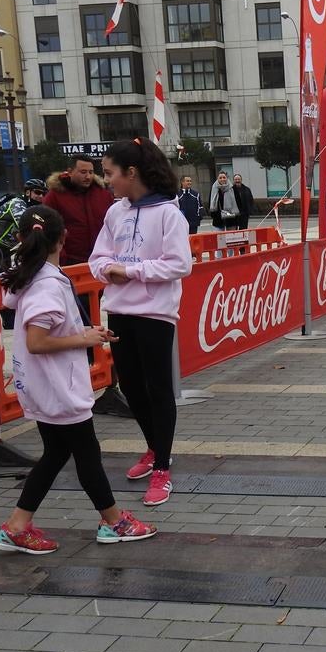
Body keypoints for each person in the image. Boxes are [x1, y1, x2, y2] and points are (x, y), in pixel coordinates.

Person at [0, 204, 156, 554]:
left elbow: (46, 331)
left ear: (21, 238)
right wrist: (82, 338)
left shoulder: (29, 277)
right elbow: (38, 341)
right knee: (85, 454)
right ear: (63, 239)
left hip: (43, 385)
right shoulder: (48, 284)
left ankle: (17, 526)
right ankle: (113, 521)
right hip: (59, 387)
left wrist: (84, 331)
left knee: (56, 453)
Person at [90, 138, 192, 508]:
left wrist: (128, 270)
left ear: (131, 172)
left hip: (155, 314)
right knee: (131, 389)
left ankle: (163, 467)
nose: (107, 181)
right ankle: (153, 447)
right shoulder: (115, 212)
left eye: (109, 173)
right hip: (119, 312)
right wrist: (107, 269)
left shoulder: (169, 213)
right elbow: (97, 257)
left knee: (158, 389)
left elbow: (180, 263)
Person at [43, 156, 114, 266]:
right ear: (70, 172)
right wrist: (61, 258)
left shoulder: (103, 194)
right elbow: (48, 230)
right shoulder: (54, 196)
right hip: (69, 263)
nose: (88, 176)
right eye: (83, 172)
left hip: (103, 261)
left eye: (91, 172)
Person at [0, 179, 48, 277]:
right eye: (37, 192)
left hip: (5, 246)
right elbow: (24, 224)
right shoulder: (17, 203)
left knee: (6, 275)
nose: (41, 196)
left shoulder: (32, 207)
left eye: (44, 194)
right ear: (28, 192)